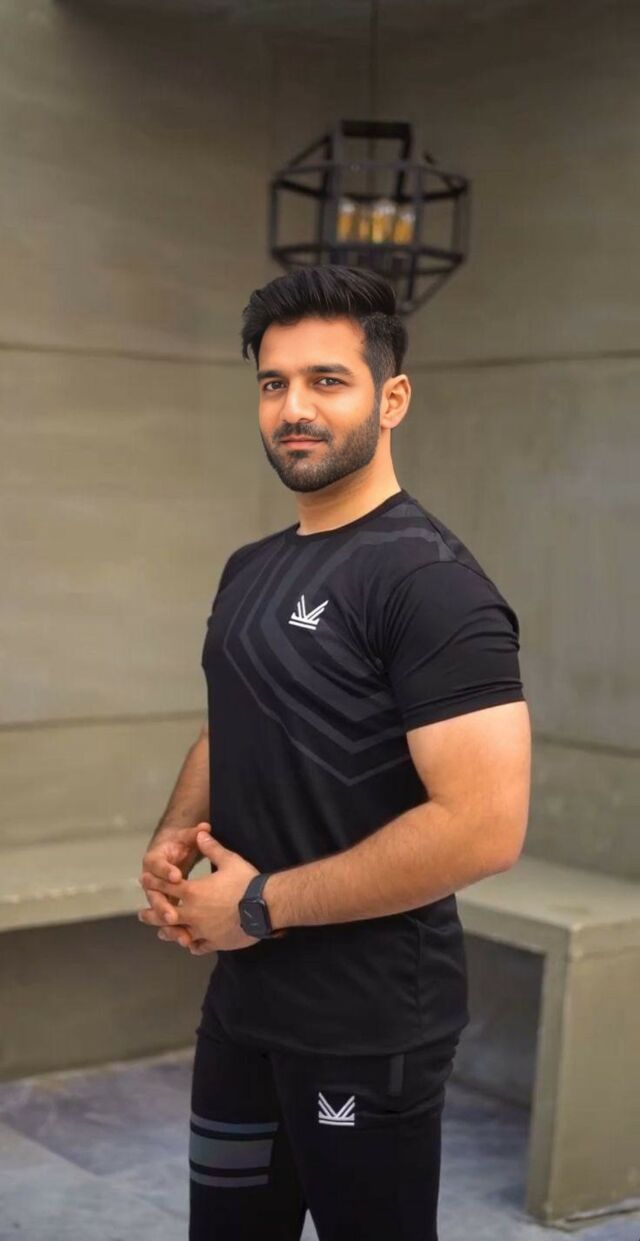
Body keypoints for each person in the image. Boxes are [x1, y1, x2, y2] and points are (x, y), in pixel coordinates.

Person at [137, 265, 531, 1241]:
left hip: (368, 1022)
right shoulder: (251, 568)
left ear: (391, 398)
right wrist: (177, 834)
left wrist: (258, 904)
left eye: (327, 380)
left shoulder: (432, 584)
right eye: (273, 383)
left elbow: (484, 828)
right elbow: (233, 718)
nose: (294, 408)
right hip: (244, 1006)